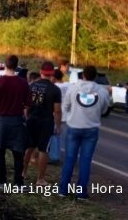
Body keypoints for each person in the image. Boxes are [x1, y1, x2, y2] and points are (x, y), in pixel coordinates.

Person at [59, 66, 109, 200]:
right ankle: (81, 193)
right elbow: (104, 110)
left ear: (83, 76)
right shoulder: (102, 92)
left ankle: (63, 190)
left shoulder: (73, 88)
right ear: (96, 76)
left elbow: (67, 106)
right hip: (91, 129)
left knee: (70, 159)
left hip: (73, 126)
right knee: (86, 161)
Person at [0, 55, 32, 191]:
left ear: (4, 65)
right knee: (18, 153)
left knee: (0, 152)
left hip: (1, 120)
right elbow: (27, 104)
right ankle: (18, 183)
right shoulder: (23, 83)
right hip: (16, 121)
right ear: (17, 66)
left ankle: (2, 181)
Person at [22, 61, 62, 186]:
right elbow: (57, 110)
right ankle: (40, 179)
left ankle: (23, 172)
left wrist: (28, 117)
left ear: (41, 72)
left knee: (29, 147)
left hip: (32, 118)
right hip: (46, 121)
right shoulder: (55, 89)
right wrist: (58, 126)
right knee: (44, 150)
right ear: (52, 74)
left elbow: (26, 106)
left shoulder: (31, 86)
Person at [49, 69, 71, 165]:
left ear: (53, 77)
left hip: (56, 114)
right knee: (59, 135)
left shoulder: (53, 87)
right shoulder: (69, 86)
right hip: (67, 114)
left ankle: (54, 157)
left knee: (54, 135)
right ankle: (57, 155)